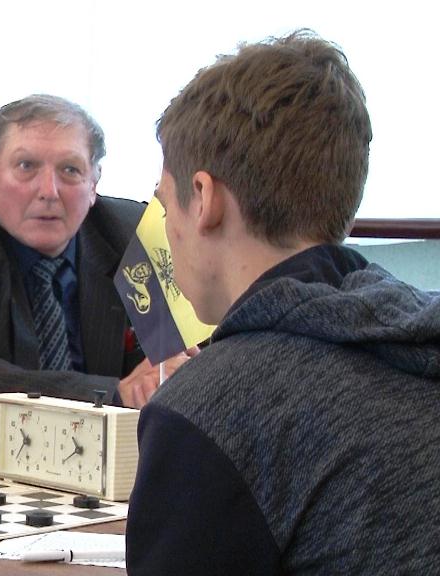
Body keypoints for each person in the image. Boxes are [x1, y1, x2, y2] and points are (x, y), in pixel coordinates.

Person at [127, 31, 440, 574]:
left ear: (203, 198)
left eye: (164, 204)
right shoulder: (419, 341)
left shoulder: (208, 414)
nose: (166, 229)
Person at [0, 94, 187, 408]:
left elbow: (166, 354)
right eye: (26, 166)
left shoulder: (130, 233)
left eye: (70, 170)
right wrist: (111, 393)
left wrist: (164, 370)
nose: (48, 191)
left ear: (93, 183)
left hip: (116, 437)